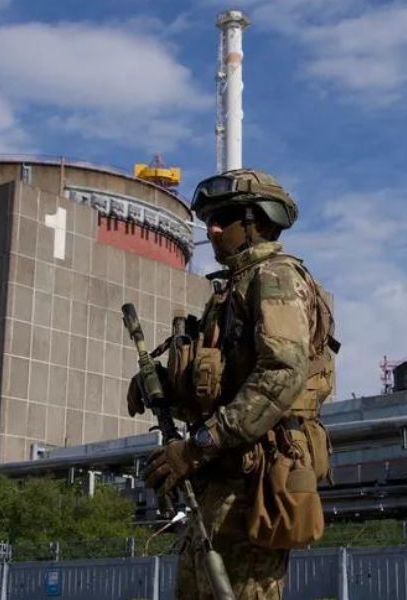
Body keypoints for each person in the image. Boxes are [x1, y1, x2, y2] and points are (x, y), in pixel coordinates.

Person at [128, 169, 337, 599]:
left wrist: (196, 446)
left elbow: (282, 373)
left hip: (253, 483)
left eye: (223, 218)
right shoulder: (232, 290)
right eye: (209, 219)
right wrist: (166, 385)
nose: (212, 229)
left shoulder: (274, 277)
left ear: (257, 221)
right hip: (220, 481)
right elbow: (223, 384)